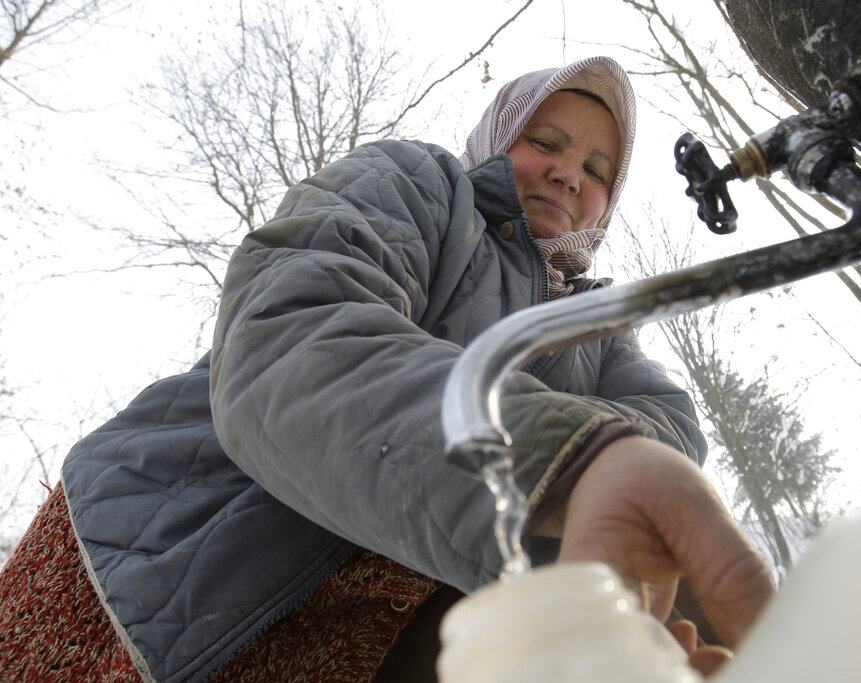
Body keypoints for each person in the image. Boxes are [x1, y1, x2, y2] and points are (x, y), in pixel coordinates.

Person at [0, 56, 773, 681]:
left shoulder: (604, 332)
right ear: (498, 134)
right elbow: (293, 333)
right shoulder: (418, 187)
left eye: (599, 166)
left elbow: (666, 446)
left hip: (367, 645)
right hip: (164, 574)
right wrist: (567, 459)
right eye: (548, 139)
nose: (571, 173)